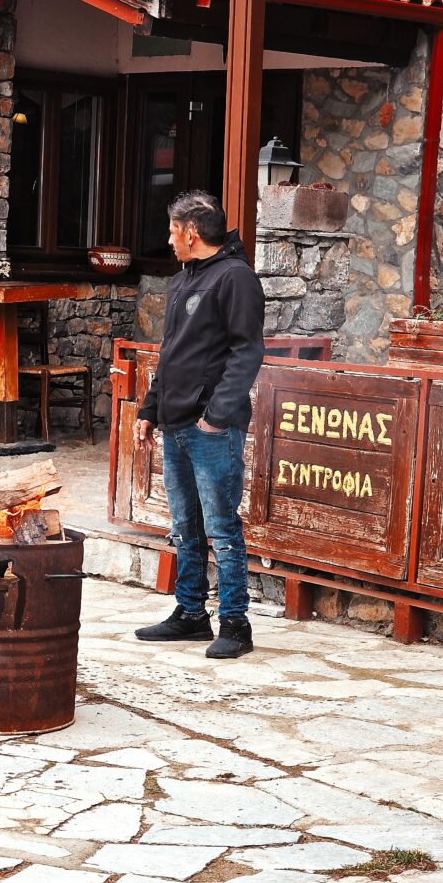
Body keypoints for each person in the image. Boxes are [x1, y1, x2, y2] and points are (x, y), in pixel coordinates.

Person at [134, 190, 264, 658]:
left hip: (212, 429)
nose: (169, 240)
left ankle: (235, 625)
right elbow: (171, 354)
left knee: (222, 528)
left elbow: (247, 352)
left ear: (191, 232)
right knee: (185, 526)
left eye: (173, 231)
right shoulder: (182, 280)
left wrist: (216, 418)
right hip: (175, 424)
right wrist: (149, 410)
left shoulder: (236, 278)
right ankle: (191, 614)